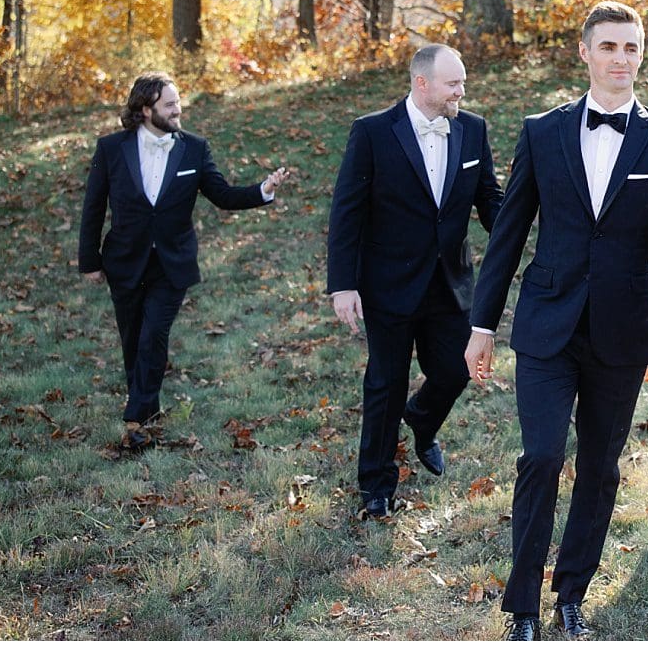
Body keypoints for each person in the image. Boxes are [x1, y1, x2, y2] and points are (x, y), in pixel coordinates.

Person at [466, 1, 648, 640]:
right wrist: (482, 324)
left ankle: (572, 592)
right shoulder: (541, 132)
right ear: (584, 52)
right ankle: (522, 609)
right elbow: (508, 235)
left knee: (600, 467)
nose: (620, 59)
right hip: (548, 324)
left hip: (623, 332)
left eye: (631, 47)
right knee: (541, 457)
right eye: (608, 47)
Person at [327, 44, 504, 520]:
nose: (461, 91)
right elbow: (347, 212)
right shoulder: (372, 132)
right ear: (422, 83)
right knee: (385, 382)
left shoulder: (472, 129)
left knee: (457, 368)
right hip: (388, 284)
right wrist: (343, 284)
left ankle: (422, 420)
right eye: (453, 83)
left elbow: (489, 199)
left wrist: (525, 227)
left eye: (463, 81)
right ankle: (377, 484)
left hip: (450, 283)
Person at [78, 72, 288, 449]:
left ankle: (135, 418)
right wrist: (89, 260)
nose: (178, 110)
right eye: (169, 105)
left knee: (154, 332)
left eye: (178, 103)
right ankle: (148, 407)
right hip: (124, 260)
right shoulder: (111, 149)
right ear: (146, 110)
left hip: (172, 262)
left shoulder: (194, 148)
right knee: (132, 338)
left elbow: (221, 195)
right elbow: (93, 207)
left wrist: (263, 190)